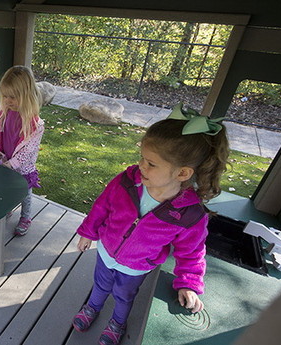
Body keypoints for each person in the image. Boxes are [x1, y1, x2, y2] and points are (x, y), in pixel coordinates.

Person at [72, 104, 229, 345]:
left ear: (182, 173)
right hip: (106, 251)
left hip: (136, 267)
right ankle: (93, 306)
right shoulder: (127, 181)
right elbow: (102, 206)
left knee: (124, 295)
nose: (141, 167)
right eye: (142, 159)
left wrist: (188, 283)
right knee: (101, 284)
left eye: (151, 164)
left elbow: (193, 252)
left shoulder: (189, 214)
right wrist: (88, 232)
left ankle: (117, 322)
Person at [0, 65, 44, 236]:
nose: (7, 101)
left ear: (26, 96)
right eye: (4, 96)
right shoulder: (0, 115)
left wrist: (11, 164)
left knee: (25, 193)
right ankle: (9, 208)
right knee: (7, 189)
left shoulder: (35, 125)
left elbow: (27, 151)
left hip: (22, 167)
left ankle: (25, 217)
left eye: (12, 97)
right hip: (5, 162)